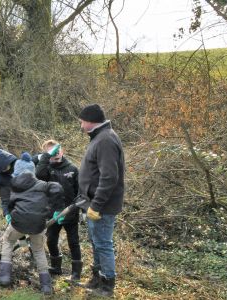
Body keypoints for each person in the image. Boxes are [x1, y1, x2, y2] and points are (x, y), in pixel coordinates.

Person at [0, 152, 64, 295]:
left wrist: (9, 215)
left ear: (16, 172)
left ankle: (4, 276)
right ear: (33, 171)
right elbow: (57, 188)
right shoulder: (42, 184)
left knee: (8, 240)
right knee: (38, 251)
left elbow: (10, 204)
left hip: (18, 223)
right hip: (38, 225)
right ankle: (46, 286)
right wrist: (56, 209)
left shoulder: (13, 185)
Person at [78, 104, 125, 297]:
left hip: (102, 206)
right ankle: (96, 279)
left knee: (103, 243)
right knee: (96, 242)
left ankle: (107, 285)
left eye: (81, 122)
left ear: (90, 121)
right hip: (92, 203)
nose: (80, 126)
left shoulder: (105, 140)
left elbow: (109, 177)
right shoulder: (99, 137)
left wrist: (96, 205)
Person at [35, 140, 82, 281]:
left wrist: (76, 208)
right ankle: (56, 267)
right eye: (52, 152)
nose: (56, 154)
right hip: (52, 213)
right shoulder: (47, 169)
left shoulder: (73, 169)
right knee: (51, 241)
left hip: (70, 212)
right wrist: (45, 157)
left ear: (63, 151)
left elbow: (80, 191)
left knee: (73, 241)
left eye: (58, 150)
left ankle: (76, 273)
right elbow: (38, 175)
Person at [0, 149, 17, 218]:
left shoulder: (19, 166)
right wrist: (6, 212)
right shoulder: (0, 180)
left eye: (6, 166)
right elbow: (5, 198)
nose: (5, 168)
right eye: (3, 168)